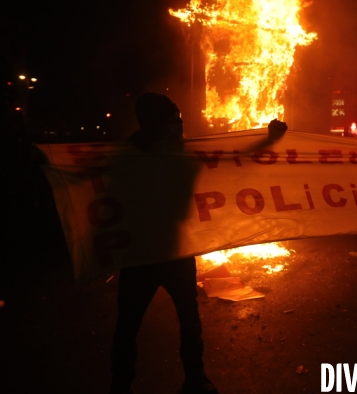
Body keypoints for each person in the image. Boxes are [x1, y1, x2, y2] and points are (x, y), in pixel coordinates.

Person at [110, 92, 287, 394]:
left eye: (179, 118)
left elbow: (235, 156)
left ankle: (195, 378)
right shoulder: (127, 157)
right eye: (173, 119)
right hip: (142, 255)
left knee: (188, 322)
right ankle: (122, 384)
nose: (180, 124)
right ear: (156, 125)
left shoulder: (181, 154)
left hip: (175, 250)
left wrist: (268, 140)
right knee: (129, 328)